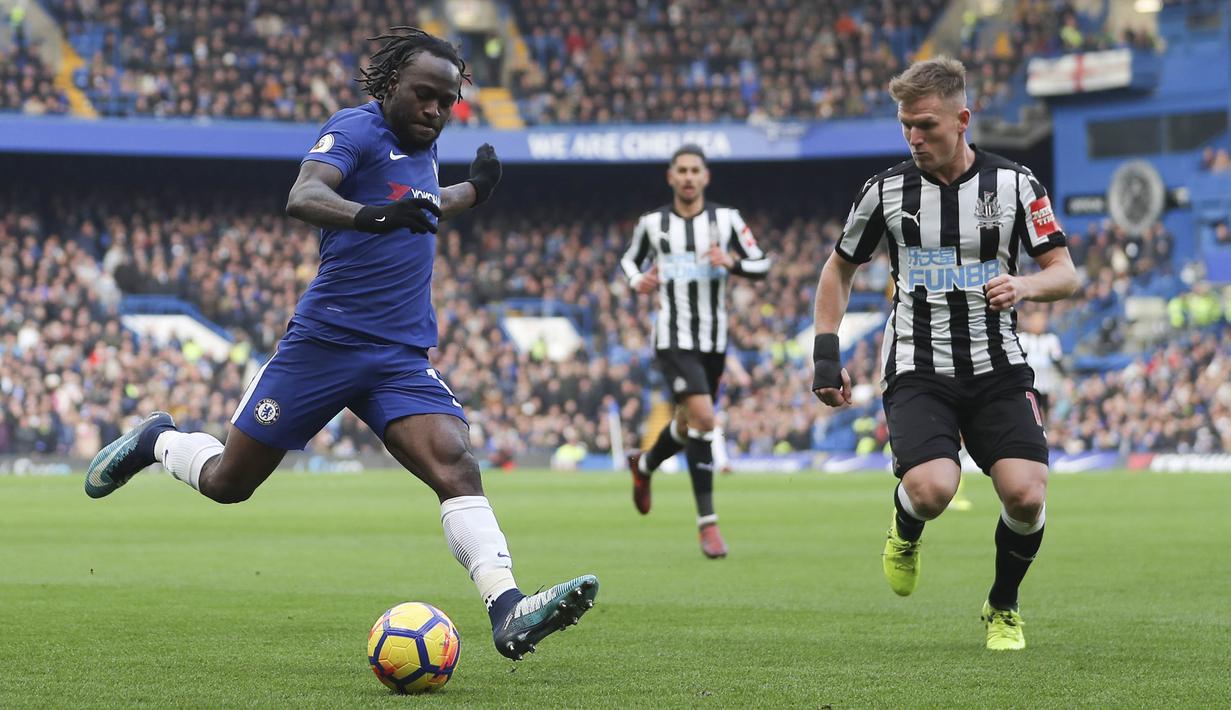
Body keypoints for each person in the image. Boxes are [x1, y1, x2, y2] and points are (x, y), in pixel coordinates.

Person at [83, 27, 597, 662]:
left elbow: (425, 207)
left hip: (398, 357)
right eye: (424, 96)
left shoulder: (423, 147)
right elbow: (304, 196)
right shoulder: (356, 129)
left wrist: (475, 193)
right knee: (228, 484)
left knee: (456, 462)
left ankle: (507, 607)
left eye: (447, 102)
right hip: (322, 346)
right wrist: (373, 215)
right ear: (389, 88)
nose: (435, 112)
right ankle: (157, 439)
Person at [810, 57, 1078, 651]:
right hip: (917, 365)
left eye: (926, 125)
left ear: (963, 119)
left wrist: (1026, 285)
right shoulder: (885, 191)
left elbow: (1064, 273)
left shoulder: (1015, 185)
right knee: (933, 490)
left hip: (997, 365)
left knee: (1027, 497)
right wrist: (826, 351)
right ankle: (906, 527)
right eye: (906, 125)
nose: (914, 138)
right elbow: (839, 268)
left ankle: (1003, 605)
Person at [621, 144, 770, 558]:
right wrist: (638, 282)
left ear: (706, 177)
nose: (688, 177)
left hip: (713, 342)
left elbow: (763, 263)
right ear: (671, 177)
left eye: (694, 170)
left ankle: (645, 465)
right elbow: (629, 262)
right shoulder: (652, 224)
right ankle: (708, 525)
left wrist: (732, 262)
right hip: (672, 337)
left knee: (689, 423)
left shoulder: (727, 220)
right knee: (705, 418)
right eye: (681, 170)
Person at [1017, 311, 1064, 423]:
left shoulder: (1051, 339)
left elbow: (1057, 360)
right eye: (1036, 321)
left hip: (1046, 383)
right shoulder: (1023, 338)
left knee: (1045, 410)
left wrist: (1065, 378)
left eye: (1042, 321)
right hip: (1028, 383)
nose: (1039, 324)